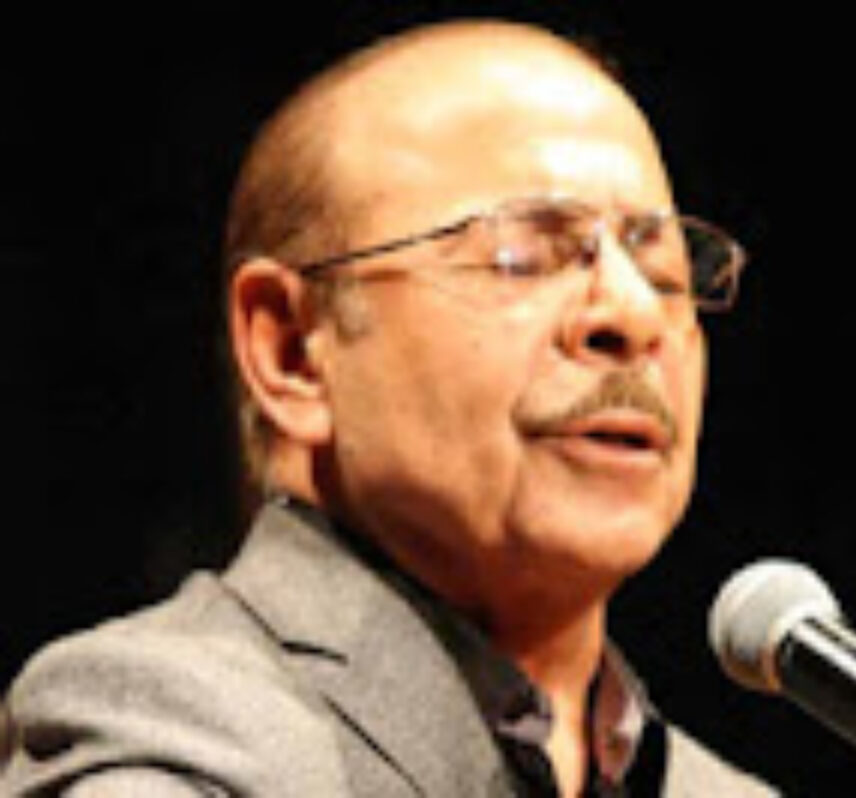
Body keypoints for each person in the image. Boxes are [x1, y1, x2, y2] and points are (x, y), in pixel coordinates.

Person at [0, 19, 774, 796]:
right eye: (521, 257)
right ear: (292, 352)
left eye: (665, 274)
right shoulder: (177, 736)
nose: (634, 314)